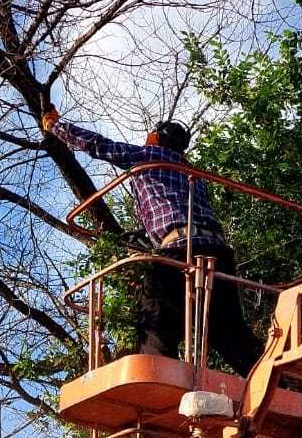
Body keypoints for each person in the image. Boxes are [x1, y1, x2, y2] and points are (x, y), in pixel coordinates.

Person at [43, 108, 263, 374]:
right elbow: (170, 212)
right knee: (227, 330)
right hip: (218, 253)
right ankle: (276, 388)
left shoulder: (149, 156)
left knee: (155, 313)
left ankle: (158, 379)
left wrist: (56, 127)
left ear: (156, 138)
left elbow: (99, 145)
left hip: (182, 250)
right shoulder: (192, 174)